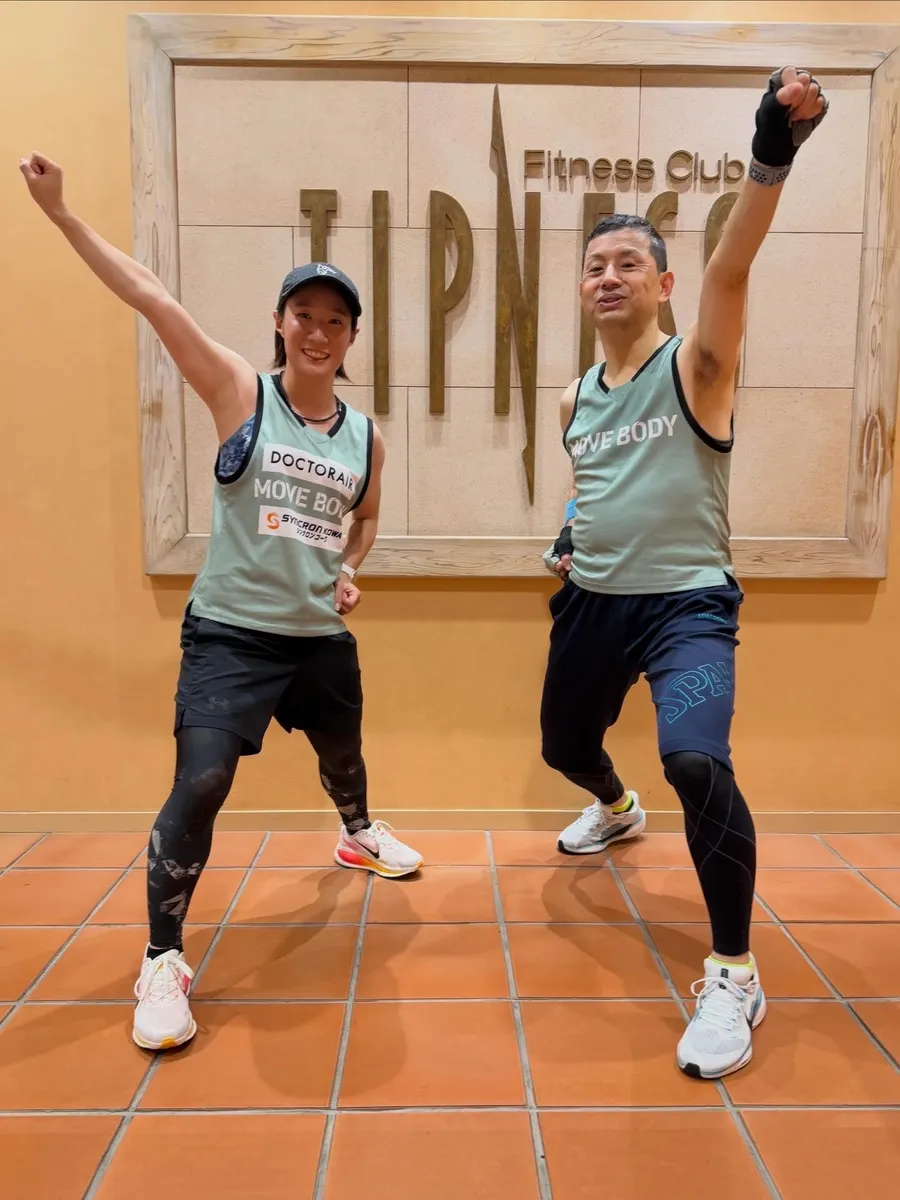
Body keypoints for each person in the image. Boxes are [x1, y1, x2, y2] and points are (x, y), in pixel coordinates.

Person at [19, 153, 423, 1052]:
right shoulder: (241, 393)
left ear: (352, 337)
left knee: (344, 754)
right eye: (304, 315)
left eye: (336, 321)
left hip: (317, 637)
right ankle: (163, 959)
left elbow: (364, 520)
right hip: (231, 637)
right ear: (280, 324)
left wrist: (349, 568)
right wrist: (62, 214)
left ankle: (358, 833)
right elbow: (153, 297)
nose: (319, 332)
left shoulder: (365, 436)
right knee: (201, 782)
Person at [540, 67, 827, 1079]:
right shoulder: (574, 396)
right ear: (583, 289)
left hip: (686, 608)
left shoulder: (696, 365)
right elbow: (595, 483)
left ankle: (734, 971)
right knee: (563, 745)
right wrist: (570, 533)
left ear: (662, 285)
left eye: (630, 262)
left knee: (698, 762)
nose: (609, 276)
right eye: (595, 266)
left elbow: (734, 270)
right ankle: (616, 808)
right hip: (593, 604)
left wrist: (771, 153)